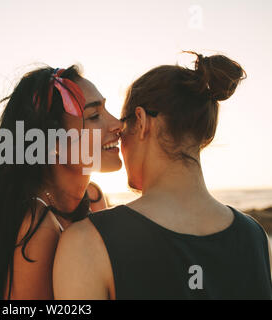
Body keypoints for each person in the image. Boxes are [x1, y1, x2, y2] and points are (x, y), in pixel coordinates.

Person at [53, 53, 272, 299]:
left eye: (124, 126)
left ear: (142, 121)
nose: (119, 136)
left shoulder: (87, 243)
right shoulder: (254, 236)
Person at [0, 65, 123, 299]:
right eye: (94, 116)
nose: (117, 124)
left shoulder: (93, 198)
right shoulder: (38, 228)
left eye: (106, 110)